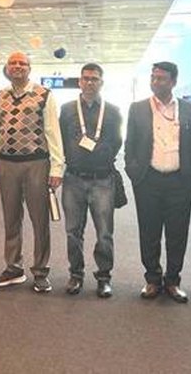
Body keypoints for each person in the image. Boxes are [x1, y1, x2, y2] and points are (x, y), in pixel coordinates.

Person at [125, 61, 191, 303]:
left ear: (173, 82)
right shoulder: (138, 108)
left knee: (177, 233)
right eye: (153, 77)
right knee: (149, 231)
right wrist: (134, 172)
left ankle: (172, 281)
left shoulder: (189, 109)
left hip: (180, 182)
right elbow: (130, 143)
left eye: (161, 78)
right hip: (147, 180)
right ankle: (152, 279)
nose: (155, 82)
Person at [0, 51, 64, 293]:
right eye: (13, 63)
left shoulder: (44, 95)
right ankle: (14, 268)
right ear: (7, 68)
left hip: (36, 164)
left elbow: (52, 131)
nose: (17, 66)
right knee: (11, 219)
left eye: (22, 63)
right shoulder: (0, 96)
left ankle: (41, 271)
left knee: (39, 220)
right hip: (7, 164)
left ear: (29, 68)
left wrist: (57, 167)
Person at [59, 63, 122, 298]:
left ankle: (104, 277)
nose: (89, 82)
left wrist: (101, 156)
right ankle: (76, 275)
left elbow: (117, 141)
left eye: (94, 79)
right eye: (85, 78)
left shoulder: (113, 111)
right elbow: (61, 139)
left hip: (102, 180)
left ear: (101, 83)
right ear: (79, 82)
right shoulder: (67, 109)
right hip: (73, 178)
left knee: (104, 233)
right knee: (72, 231)